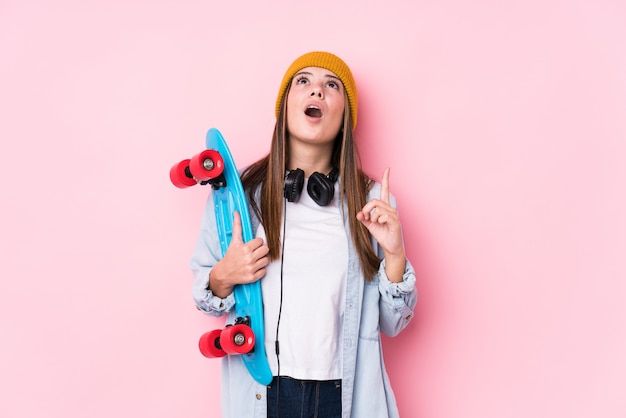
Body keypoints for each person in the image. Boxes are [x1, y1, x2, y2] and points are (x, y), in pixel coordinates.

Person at [191, 51, 417, 418]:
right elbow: (205, 296)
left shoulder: (372, 202)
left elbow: (393, 323)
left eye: (331, 86)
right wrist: (223, 276)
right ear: (285, 106)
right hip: (265, 393)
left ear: (345, 117)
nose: (317, 92)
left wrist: (395, 255)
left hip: (342, 395)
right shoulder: (240, 193)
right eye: (304, 82)